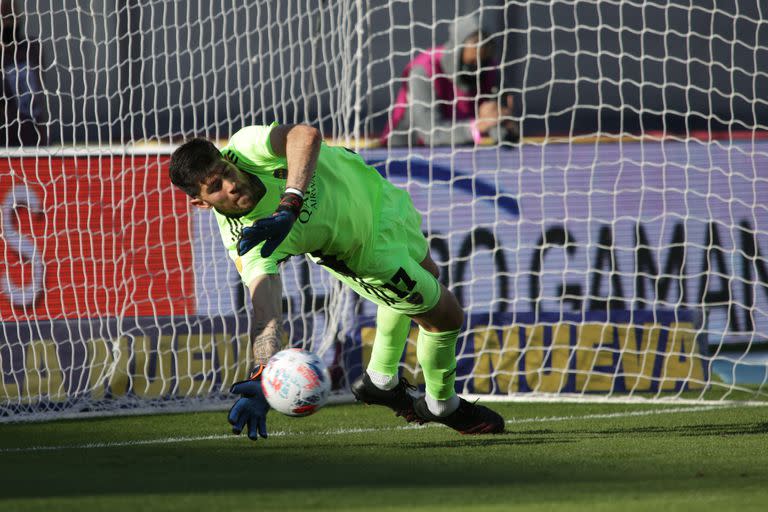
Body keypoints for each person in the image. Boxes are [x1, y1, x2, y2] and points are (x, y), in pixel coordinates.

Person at [169, 123, 505, 440]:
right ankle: (442, 404)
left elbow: (305, 135)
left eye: (225, 173)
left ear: (227, 159)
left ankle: (382, 380)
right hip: (368, 256)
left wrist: (290, 203)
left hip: (377, 198)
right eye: (215, 188)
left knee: (430, 275)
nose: (230, 185)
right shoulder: (247, 242)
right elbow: (267, 316)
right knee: (446, 317)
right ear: (200, 202)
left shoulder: (246, 147)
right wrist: (262, 372)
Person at [380, 15, 518, 147]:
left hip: (461, 152)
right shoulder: (424, 71)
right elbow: (430, 133)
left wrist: (504, 124)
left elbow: (494, 130)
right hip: (406, 152)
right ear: (457, 50)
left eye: (482, 59)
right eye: (472, 62)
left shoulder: (488, 69)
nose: (476, 69)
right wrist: (477, 126)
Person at [1, 0, 47, 147]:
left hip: (34, 134)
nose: (9, 22)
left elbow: (38, 85)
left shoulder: (32, 48)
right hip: (7, 138)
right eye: (4, 18)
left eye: (12, 17)